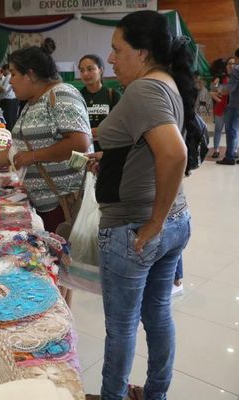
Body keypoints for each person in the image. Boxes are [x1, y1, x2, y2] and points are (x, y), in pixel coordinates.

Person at [85, 10, 194, 400]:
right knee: (157, 313)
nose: (110, 58)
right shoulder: (164, 83)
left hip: (137, 227)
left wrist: (153, 223)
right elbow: (147, 148)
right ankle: (155, 394)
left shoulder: (145, 89)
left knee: (122, 326)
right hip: (173, 221)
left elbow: (174, 154)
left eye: (117, 50)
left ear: (143, 53)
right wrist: (111, 160)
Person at [0, 45, 90, 236]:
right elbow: (17, 150)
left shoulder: (61, 94)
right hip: (43, 204)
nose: (10, 81)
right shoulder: (32, 102)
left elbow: (80, 143)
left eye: (13, 74)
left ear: (30, 74)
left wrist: (33, 156)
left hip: (62, 203)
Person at [78, 54, 121, 152]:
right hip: (84, 151)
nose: (85, 74)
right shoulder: (77, 96)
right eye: (82, 70)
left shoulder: (113, 95)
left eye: (90, 69)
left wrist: (91, 132)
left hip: (108, 150)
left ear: (100, 70)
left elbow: (119, 126)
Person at [217, 48, 239, 165]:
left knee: (231, 130)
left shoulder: (237, 69)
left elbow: (231, 88)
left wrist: (220, 89)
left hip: (236, 105)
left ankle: (230, 157)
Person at [209, 58, 231, 158]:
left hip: (232, 107)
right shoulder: (220, 77)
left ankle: (233, 150)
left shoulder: (235, 77)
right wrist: (218, 96)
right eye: (229, 64)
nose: (231, 66)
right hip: (221, 107)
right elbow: (213, 90)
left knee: (231, 130)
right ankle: (216, 149)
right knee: (218, 129)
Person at [0, 63, 20, 132]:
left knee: (8, 120)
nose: (3, 73)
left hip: (9, 101)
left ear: (7, 70)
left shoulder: (8, 76)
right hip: (11, 100)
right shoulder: (10, 76)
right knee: (12, 119)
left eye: (3, 70)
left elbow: (4, 89)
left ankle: (9, 134)